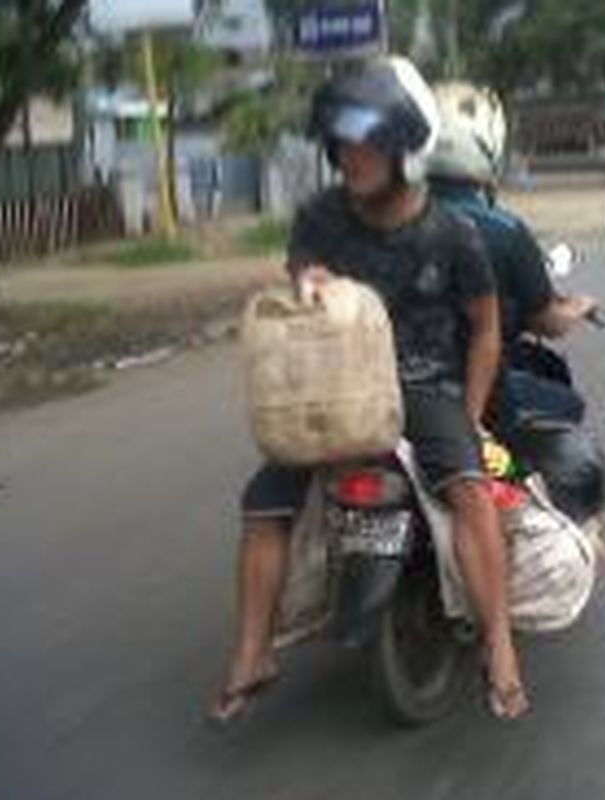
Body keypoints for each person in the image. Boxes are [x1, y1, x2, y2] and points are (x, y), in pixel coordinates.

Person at [210, 58, 529, 723]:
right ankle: (251, 653)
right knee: (262, 503)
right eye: (342, 143)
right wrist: (309, 281)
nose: (348, 156)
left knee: (471, 490)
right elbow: (304, 272)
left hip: (424, 388)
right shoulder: (321, 218)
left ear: (406, 149)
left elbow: (487, 331)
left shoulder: (455, 232)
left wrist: (469, 419)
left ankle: (499, 650)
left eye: (366, 143)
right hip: (338, 394)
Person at [426, 102, 598, 432]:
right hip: (473, 392)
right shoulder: (504, 230)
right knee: (567, 405)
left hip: (395, 391)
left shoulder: (388, 224)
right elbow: (548, 323)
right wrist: (580, 306)